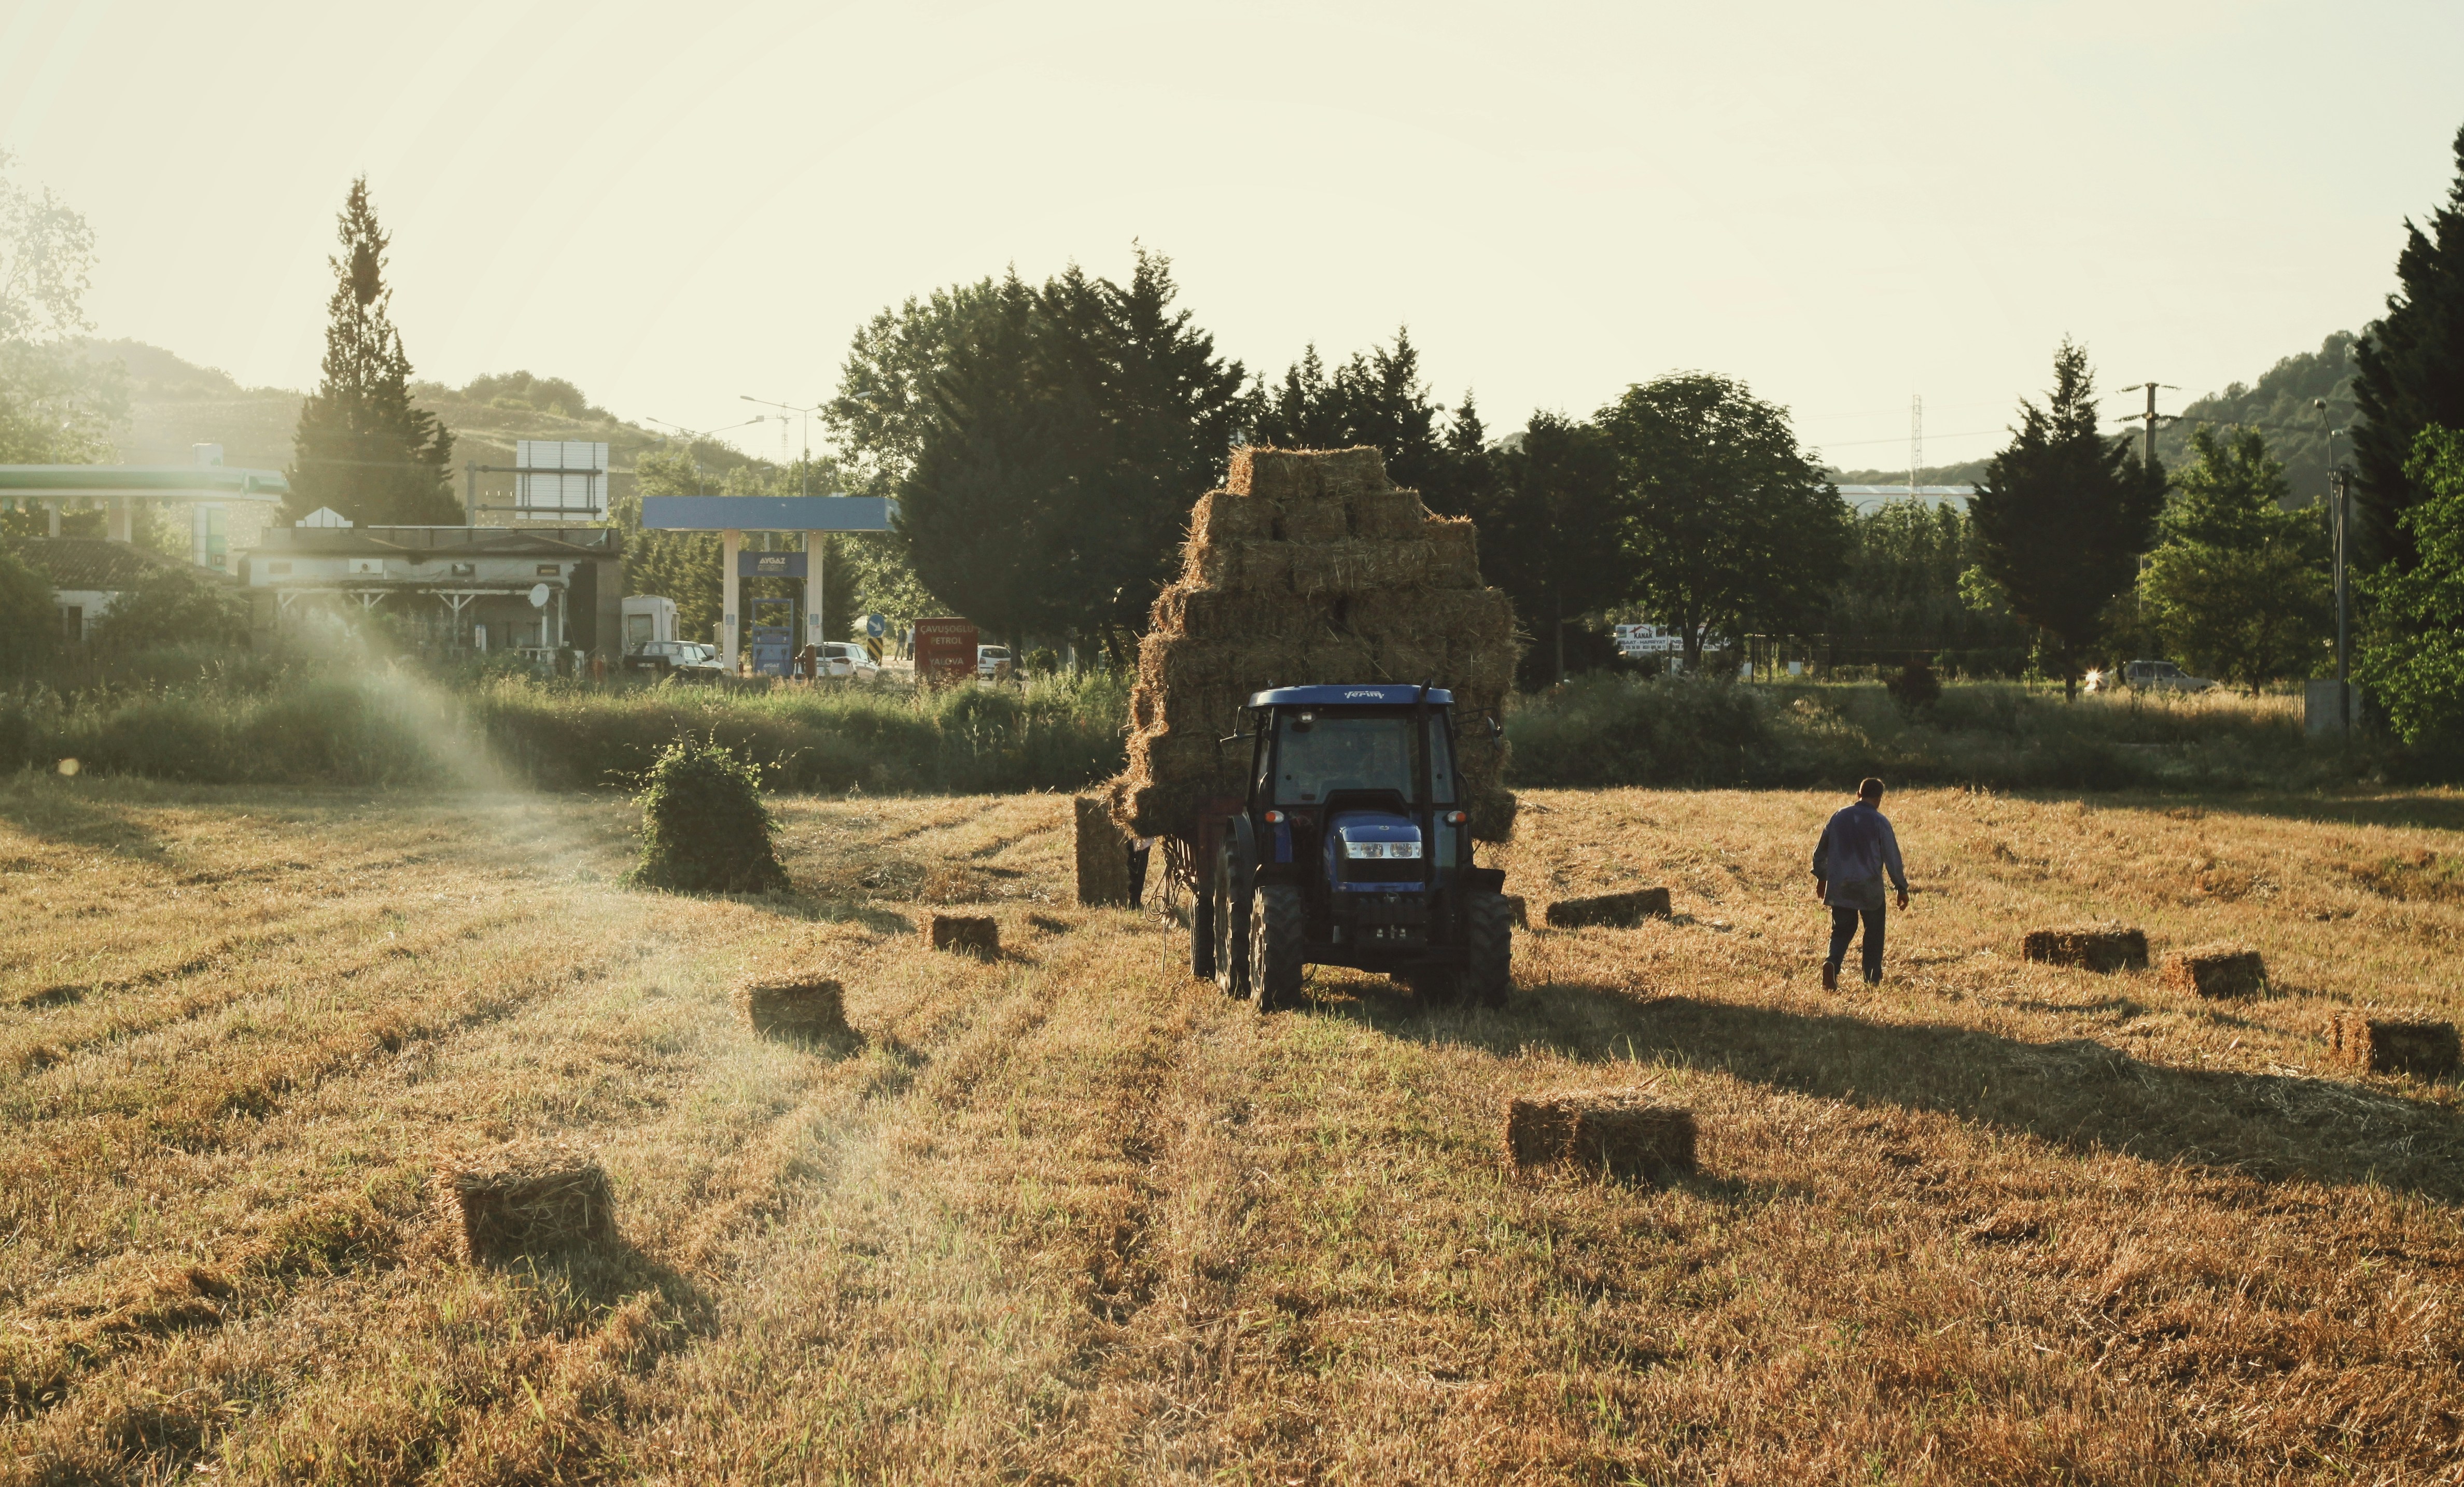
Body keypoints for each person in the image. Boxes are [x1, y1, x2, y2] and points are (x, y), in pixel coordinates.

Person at [1811, 776, 1909, 989]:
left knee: (1841, 930)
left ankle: (1832, 963)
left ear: (1858, 794)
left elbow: (1820, 852)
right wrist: (1901, 887)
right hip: (1869, 888)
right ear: (1879, 798)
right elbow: (1892, 858)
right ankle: (1871, 979)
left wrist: (1821, 877)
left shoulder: (1839, 816)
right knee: (1874, 932)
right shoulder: (1880, 822)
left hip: (1840, 886)